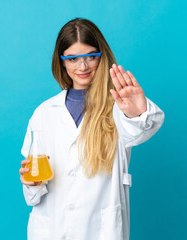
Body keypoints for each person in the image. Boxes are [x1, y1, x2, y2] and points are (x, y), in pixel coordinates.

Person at [19, 18, 164, 240]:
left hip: (101, 232)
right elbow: (34, 196)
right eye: (73, 58)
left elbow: (141, 130)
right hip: (50, 231)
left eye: (90, 57)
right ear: (62, 62)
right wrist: (31, 184)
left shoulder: (119, 105)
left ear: (101, 57)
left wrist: (137, 112)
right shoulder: (44, 113)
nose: (83, 66)